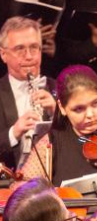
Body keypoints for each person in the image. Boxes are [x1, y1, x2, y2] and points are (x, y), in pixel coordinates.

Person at [19, 65, 97, 185]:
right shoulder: (50, 144)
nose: (90, 114)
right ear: (62, 107)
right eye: (79, 109)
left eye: (95, 104)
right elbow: (22, 187)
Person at [0, 17, 56, 170]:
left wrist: (56, 114)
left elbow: (80, 140)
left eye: (34, 48)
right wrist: (13, 133)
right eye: (20, 49)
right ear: (3, 54)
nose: (29, 56)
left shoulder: (58, 88)